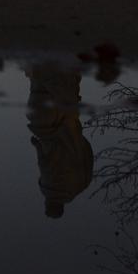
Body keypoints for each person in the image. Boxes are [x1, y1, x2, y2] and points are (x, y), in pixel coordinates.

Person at [25, 64, 93, 219]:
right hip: (45, 121)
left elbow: (87, 160)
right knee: (43, 81)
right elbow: (45, 160)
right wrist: (36, 144)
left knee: (59, 88)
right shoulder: (47, 186)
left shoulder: (78, 186)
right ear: (48, 204)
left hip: (62, 128)